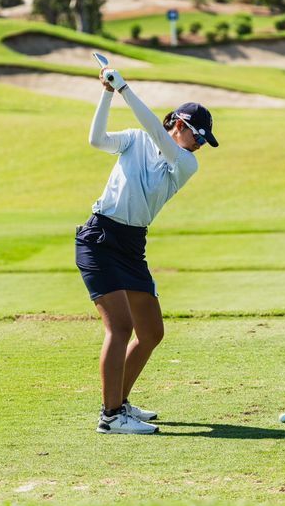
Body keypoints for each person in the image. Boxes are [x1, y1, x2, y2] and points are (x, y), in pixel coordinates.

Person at [75, 65, 218, 434]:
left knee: (151, 332)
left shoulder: (185, 162)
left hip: (131, 245)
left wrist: (123, 87)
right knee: (120, 327)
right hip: (100, 238)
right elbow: (96, 140)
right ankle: (110, 417)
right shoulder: (134, 140)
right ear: (181, 125)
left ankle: (118, 402)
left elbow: (157, 131)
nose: (200, 144)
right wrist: (108, 93)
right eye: (198, 136)